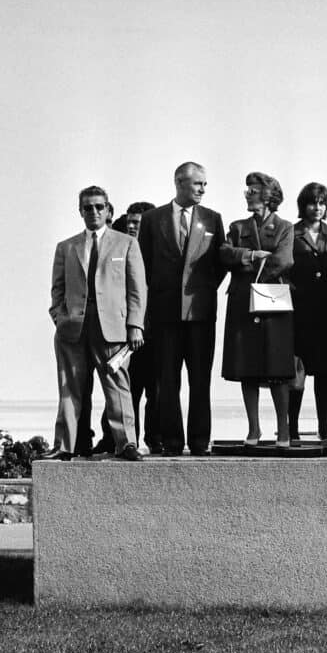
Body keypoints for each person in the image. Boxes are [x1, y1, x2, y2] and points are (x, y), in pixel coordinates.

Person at [45, 185, 145, 461]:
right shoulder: (66, 247)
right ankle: (66, 445)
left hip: (112, 328)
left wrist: (135, 325)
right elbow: (58, 290)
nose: (94, 212)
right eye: (88, 207)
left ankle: (127, 443)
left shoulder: (126, 244)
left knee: (118, 386)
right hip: (73, 329)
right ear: (80, 211)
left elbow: (137, 289)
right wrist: (60, 319)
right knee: (70, 387)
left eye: (99, 206)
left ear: (108, 209)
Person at [138, 162, 226, 456]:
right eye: (198, 183)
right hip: (164, 316)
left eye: (204, 184)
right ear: (179, 183)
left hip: (201, 314)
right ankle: (172, 443)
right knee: (166, 382)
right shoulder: (153, 219)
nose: (203, 189)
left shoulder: (213, 219)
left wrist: (201, 291)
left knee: (200, 381)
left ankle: (200, 442)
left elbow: (219, 265)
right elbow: (143, 269)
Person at [220, 172, 294, 447]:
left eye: (253, 189)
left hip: (273, 302)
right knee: (246, 367)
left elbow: (284, 260)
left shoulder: (285, 227)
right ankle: (254, 429)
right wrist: (250, 256)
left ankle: (283, 431)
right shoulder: (238, 227)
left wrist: (254, 275)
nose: (247, 193)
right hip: (242, 304)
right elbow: (224, 253)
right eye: (247, 189)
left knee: (278, 368)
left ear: (268, 195)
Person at [92, 201, 160, 455]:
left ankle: (155, 439)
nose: (133, 226)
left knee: (155, 390)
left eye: (139, 223)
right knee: (122, 387)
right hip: (122, 331)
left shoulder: (157, 248)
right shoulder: (117, 243)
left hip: (153, 330)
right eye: (130, 221)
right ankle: (115, 438)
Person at [289, 183, 327, 443]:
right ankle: (292, 428)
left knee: (324, 372)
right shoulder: (290, 233)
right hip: (299, 312)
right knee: (297, 371)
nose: (318, 207)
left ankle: (324, 428)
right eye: (313, 202)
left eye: (322, 203)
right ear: (304, 205)